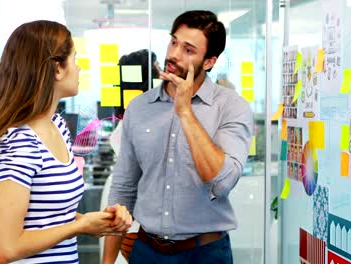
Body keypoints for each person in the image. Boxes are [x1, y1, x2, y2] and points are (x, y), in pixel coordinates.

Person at [0, 20, 132, 264]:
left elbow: (50, 218)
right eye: (74, 60)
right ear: (57, 69)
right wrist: (79, 226)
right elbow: (6, 249)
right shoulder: (23, 142)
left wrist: (93, 221)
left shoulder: (58, 126)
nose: (79, 69)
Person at [104, 10, 253, 263]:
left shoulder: (231, 107)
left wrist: (185, 112)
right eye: (174, 42)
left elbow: (223, 182)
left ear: (209, 62)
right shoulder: (139, 108)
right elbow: (123, 188)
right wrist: (107, 261)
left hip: (205, 253)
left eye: (188, 49)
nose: (173, 54)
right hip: (146, 250)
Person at [105, 49, 161, 263]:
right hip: (136, 225)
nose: (163, 73)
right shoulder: (137, 123)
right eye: (157, 69)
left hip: (133, 221)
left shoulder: (130, 121)